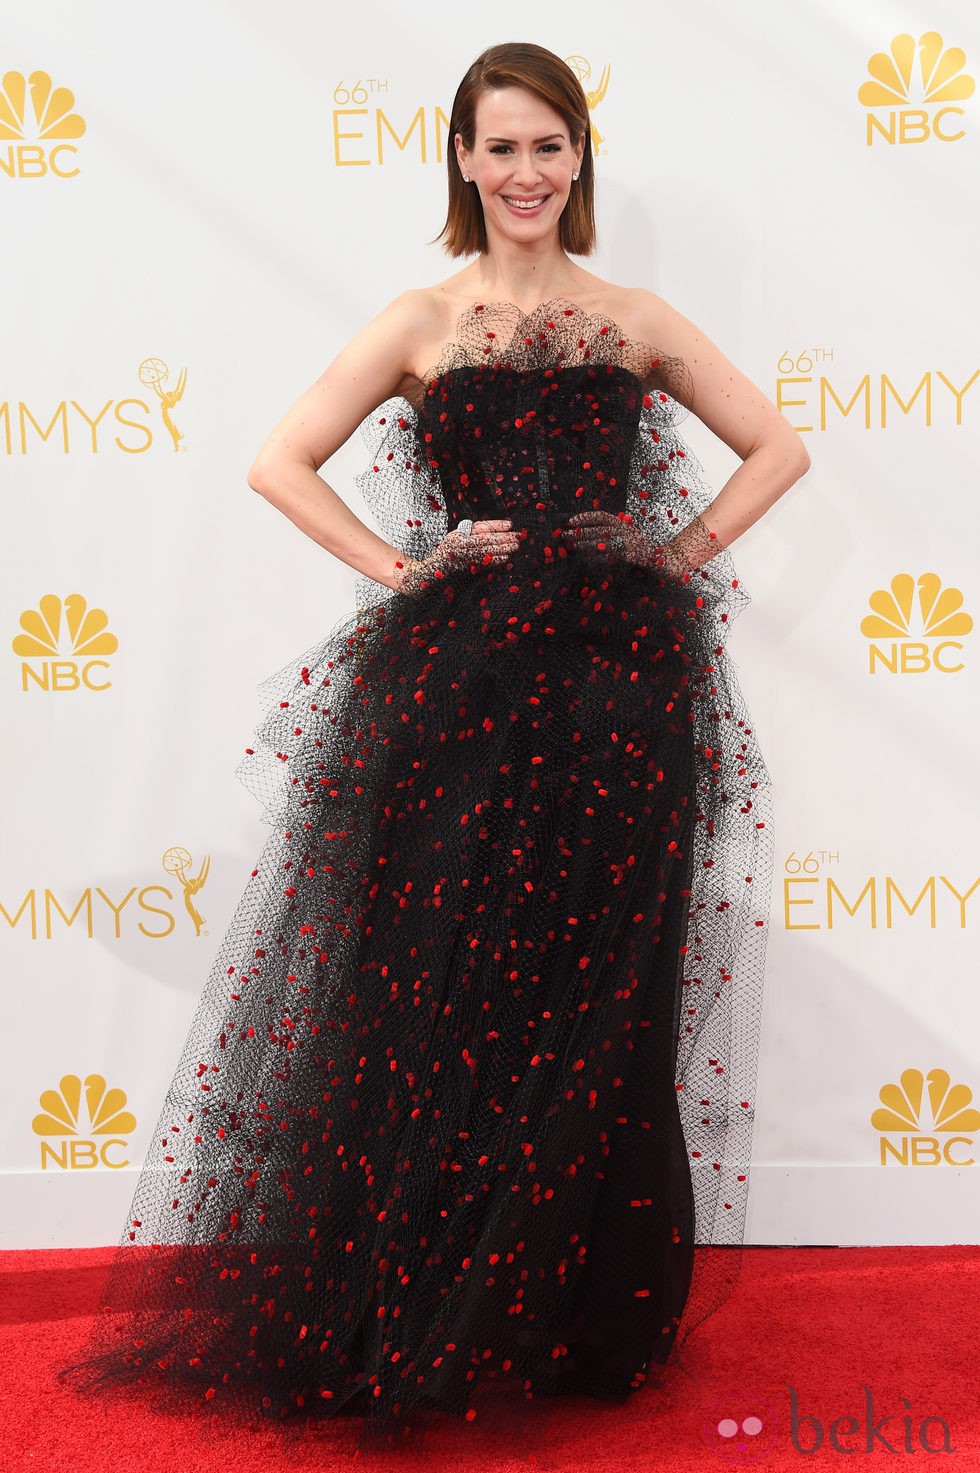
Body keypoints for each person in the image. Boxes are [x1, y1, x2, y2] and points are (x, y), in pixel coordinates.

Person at [57, 40, 809, 1455]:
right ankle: (430, 1302)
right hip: (457, 693)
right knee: (442, 995)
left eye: (549, 146)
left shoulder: (635, 317)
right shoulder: (419, 319)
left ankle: (585, 1316)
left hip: (619, 697)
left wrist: (671, 553)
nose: (526, 172)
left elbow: (778, 447)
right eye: (500, 147)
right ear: (461, 161)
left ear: (579, 161)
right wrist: (405, 569)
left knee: (603, 999)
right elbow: (281, 459)